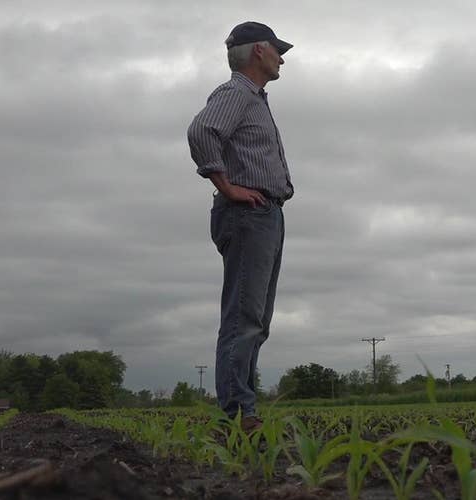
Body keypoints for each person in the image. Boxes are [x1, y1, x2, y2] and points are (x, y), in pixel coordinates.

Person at [187, 22, 294, 432]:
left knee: (257, 320)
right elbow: (201, 131)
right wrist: (227, 186)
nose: (282, 58)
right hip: (248, 215)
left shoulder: (254, 99)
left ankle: (243, 408)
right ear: (258, 52)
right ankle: (236, 413)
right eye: (277, 50)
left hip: (265, 214)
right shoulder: (236, 93)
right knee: (243, 318)